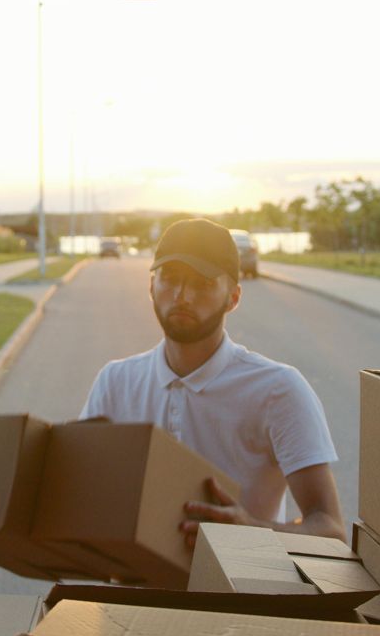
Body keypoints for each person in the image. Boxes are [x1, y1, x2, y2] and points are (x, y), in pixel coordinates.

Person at [79, 218, 346, 547]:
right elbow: (82, 493)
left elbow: (331, 529)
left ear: (233, 297)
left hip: (235, 594)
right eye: (170, 279)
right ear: (150, 287)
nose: (182, 295)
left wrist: (252, 530)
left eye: (202, 283)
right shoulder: (115, 382)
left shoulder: (279, 389)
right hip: (134, 593)